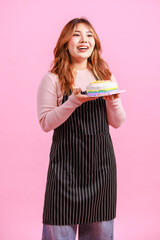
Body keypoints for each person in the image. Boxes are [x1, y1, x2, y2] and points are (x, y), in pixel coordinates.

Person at [37, 17, 126, 240]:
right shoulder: (53, 79)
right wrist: (73, 101)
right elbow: (46, 123)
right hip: (64, 170)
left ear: (94, 42)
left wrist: (113, 99)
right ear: (66, 42)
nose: (83, 39)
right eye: (76, 34)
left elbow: (117, 122)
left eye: (88, 34)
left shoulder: (104, 77)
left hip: (101, 170)